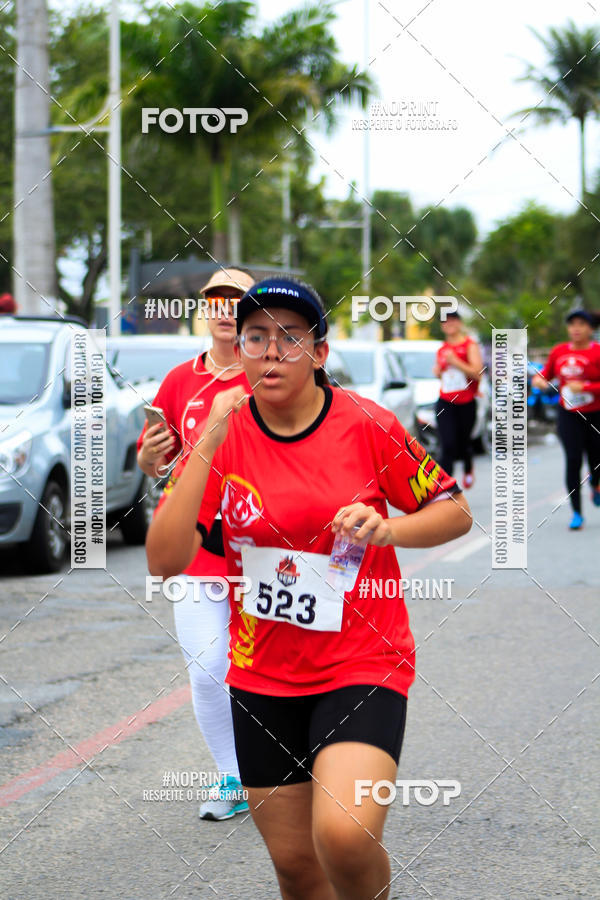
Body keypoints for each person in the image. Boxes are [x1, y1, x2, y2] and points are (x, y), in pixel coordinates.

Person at [146, 276, 472, 899]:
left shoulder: (367, 424)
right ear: (238, 350)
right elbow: (164, 561)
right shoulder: (225, 434)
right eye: (256, 337)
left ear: (319, 353)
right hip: (261, 675)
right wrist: (208, 439)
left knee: (344, 837)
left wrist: (389, 528)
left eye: (290, 338)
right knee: (297, 869)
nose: (271, 351)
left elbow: (454, 511)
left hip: (361, 663)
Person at [137, 267, 255, 820]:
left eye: (238, 300)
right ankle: (234, 776)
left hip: (266, 550)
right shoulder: (179, 380)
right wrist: (148, 458)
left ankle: (287, 769)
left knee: (270, 669)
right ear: (205, 310)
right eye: (216, 300)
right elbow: (156, 460)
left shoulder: (273, 374)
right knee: (208, 666)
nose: (226, 309)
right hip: (197, 547)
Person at [532, 309, 600, 530]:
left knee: (596, 459)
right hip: (569, 415)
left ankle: (596, 483)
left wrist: (586, 387)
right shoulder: (559, 351)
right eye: (572, 324)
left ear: (591, 329)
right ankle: (577, 512)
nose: (576, 328)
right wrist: (539, 381)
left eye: (581, 324)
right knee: (573, 460)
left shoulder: (597, 352)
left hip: (595, 415)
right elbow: (544, 375)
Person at [433, 310, 483, 488]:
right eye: (445, 321)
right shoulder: (442, 349)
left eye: (453, 320)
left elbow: (477, 373)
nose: (449, 324)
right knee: (447, 444)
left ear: (459, 323)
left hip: (466, 402)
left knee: (463, 443)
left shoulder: (470, 345)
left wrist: (456, 362)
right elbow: (443, 375)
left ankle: (468, 467)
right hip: (445, 401)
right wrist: (438, 372)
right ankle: (445, 487)